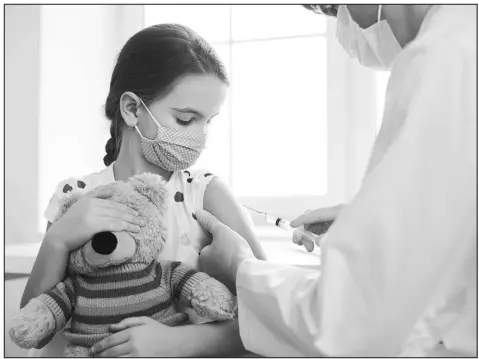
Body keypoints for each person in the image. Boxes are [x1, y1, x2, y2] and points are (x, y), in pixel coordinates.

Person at [195, 4, 477, 357]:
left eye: (330, 8)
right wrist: (367, 221)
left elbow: (353, 321)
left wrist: (240, 268)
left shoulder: (444, 58)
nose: (345, 26)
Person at [21, 23, 266, 357]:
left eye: (208, 121)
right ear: (132, 109)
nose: (200, 137)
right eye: (185, 119)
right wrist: (58, 240)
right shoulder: (74, 195)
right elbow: (33, 329)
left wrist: (178, 342)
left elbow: (270, 319)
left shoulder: (206, 193)